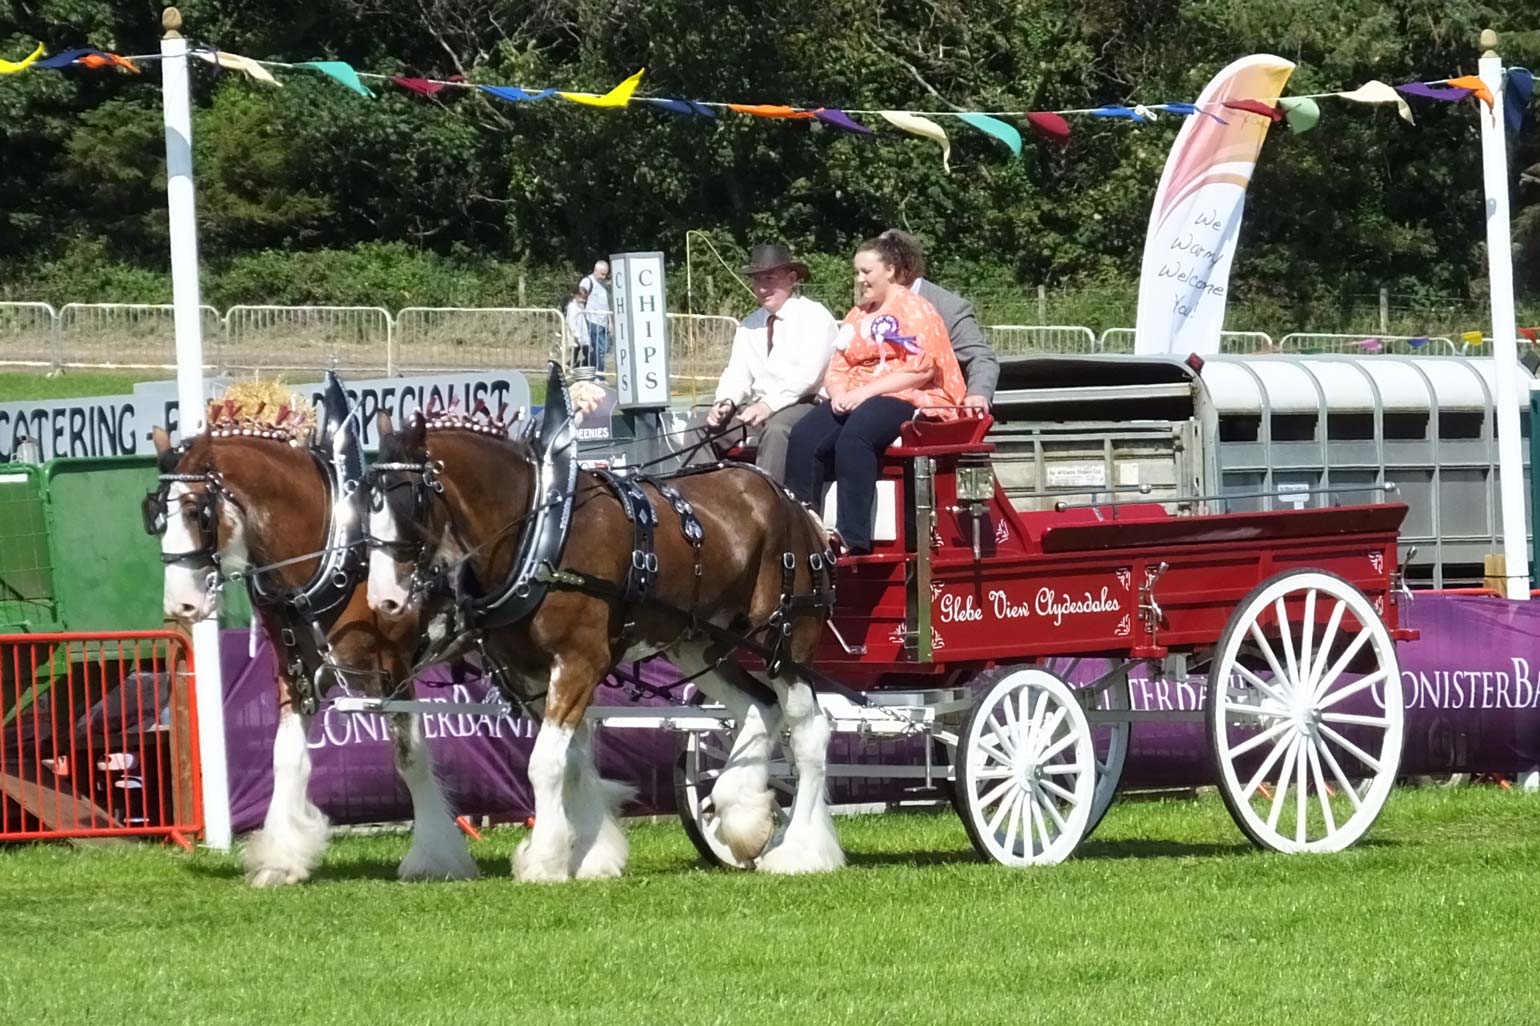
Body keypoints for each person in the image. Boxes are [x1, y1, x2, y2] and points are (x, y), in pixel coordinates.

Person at [783, 236, 967, 555]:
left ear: (891, 271)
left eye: (866, 271)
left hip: (908, 395)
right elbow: (839, 365)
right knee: (803, 436)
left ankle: (852, 536)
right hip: (859, 394)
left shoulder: (915, 309)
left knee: (856, 436)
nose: (860, 279)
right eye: (856, 272)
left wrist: (865, 393)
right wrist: (839, 393)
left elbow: (921, 369)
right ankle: (803, 530)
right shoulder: (858, 314)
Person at [697, 243, 837, 480]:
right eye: (757, 281)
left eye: (770, 279)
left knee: (777, 430)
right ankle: (707, 501)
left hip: (804, 403)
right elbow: (737, 373)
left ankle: (768, 506)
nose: (762, 288)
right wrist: (726, 401)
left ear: (792, 278)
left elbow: (808, 376)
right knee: (701, 426)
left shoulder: (814, 317)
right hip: (757, 407)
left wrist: (768, 405)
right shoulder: (750, 324)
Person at [878, 229, 998, 409]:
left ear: (904, 268)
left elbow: (980, 358)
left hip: (926, 407)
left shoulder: (948, 308)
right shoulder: (871, 306)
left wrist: (977, 394)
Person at [579, 259, 612, 373]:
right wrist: (581, 320)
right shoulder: (587, 282)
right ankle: (599, 374)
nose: (604, 277)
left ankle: (583, 365)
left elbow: (605, 304)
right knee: (600, 349)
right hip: (592, 320)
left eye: (605, 274)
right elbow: (580, 301)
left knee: (605, 348)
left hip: (603, 321)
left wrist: (610, 322)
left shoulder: (604, 285)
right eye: (602, 274)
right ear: (595, 270)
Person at [564, 280, 592, 370]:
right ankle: (573, 367)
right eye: (582, 298)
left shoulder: (582, 306)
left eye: (585, 298)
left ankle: (573, 366)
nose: (584, 300)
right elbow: (570, 321)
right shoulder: (572, 307)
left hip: (583, 335)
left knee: (579, 355)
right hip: (576, 335)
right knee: (580, 354)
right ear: (576, 296)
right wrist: (577, 334)